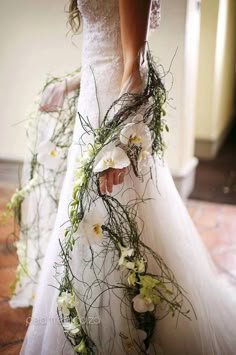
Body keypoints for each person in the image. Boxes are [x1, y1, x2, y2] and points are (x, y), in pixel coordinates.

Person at [15, 1, 236, 354]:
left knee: (115, 218)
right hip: (94, 102)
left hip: (112, 117)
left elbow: (135, 62)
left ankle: (128, 328)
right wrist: (70, 84)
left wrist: (120, 143)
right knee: (87, 226)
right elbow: (105, 47)